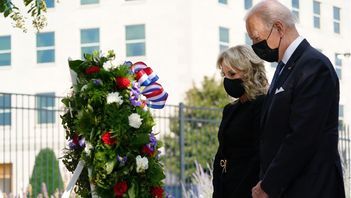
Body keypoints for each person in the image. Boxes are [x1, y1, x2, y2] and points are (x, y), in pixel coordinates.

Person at [245, 1, 346, 198]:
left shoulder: (314, 66)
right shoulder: (284, 68)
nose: (256, 46)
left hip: (310, 188)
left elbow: (302, 137)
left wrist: (268, 186)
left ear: (279, 28)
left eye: (257, 38)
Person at [212, 45, 268, 198]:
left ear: (249, 72)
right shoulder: (230, 109)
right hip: (224, 187)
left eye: (232, 73)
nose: (227, 80)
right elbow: (221, 153)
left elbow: (259, 155)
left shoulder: (263, 104)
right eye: (224, 74)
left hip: (247, 189)